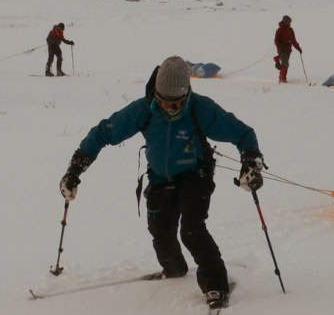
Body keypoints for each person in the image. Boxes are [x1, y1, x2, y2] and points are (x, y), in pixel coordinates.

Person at [58, 56, 265, 310]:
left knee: (192, 229)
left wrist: (251, 161)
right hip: (160, 177)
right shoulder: (143, 110)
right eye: (165, 102)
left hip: (195, 175)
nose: (171, 108)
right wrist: (75, 169)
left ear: (187, 94)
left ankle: (216, 284)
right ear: (156, 94)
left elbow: (243, 133)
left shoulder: (201, 109)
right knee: (161, 231)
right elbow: (103, 133)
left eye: (178, 102)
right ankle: (175, 270)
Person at [273, 15, 303, 83]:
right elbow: (276, 41)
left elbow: (293, 40)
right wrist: (280, 48)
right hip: (282, 49)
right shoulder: (279, 30)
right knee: (285, 64)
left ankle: (277, 59)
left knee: (285, 64)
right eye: (288, 21)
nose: (290, 23)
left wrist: (298, 48)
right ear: (285, 21)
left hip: (288, 50)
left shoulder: (290, 30)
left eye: (290, 22)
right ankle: (282, 78)